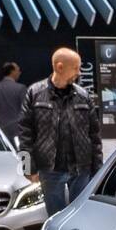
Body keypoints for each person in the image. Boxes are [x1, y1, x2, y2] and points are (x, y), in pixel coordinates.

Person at [18, 47, 102, 216]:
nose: (79, 73)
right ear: (60, 66)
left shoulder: (83, 95)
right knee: (55, 217)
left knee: (82, 215)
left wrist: (98, 169)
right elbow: (24, 134)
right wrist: (28, 168)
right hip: (50, 168)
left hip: (81, 168)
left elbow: (95, 135)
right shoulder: (35, 93)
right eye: (76, 68)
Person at [0, 61, 27, 144]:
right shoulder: (21, 88)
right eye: (18, 70)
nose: (19, 72)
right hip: (17, 131)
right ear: (12, 72)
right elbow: (25, 111)